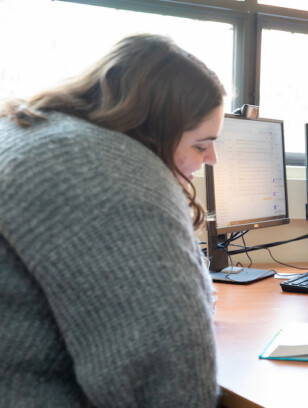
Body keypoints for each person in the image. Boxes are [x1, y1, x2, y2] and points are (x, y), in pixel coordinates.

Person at [0, 34, 224, 406]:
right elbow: (170, 377)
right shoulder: (102, 171)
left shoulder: (31, 132)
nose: (212, 158)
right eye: (201, 144)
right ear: (155, 129)